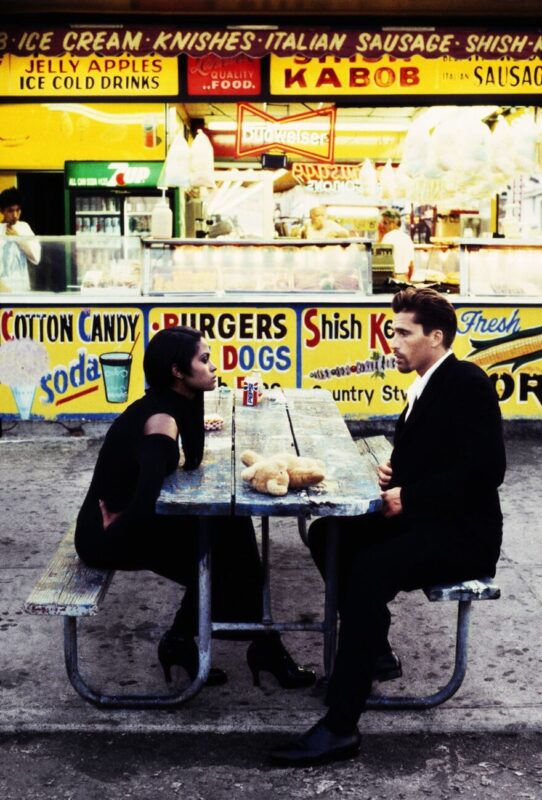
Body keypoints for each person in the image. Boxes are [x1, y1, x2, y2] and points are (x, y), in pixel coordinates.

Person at [271, 287, 506, 766]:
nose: (392, 342)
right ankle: (373, 650)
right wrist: (399, 475)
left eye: (403, 333)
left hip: (463, 538)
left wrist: (411, 494)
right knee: (328, 533)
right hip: (431, 519)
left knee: (368, 574)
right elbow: (444, 457)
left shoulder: (466, 382)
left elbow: (487, 471)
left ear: (435, 337)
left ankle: (341, 726)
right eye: (391, 331)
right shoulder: (427, 383)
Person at [75, 325, 315, 690]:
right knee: (225, 564)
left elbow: (194, 460)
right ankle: (251, 646)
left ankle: (191, 642)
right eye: (204, 361)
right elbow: (142, 504)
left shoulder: (176, 402)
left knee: (232, 530)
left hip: (132, 519)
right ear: (177, 371)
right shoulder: (160, 423)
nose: (213, 366)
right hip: (109, 533)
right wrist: (117, 525)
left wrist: (201, 392)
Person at [0, 187, 41, 292]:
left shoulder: (24, 227)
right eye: (10, 211)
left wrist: (18, 239)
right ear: (2, 211)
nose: (15, 215)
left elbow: (36, 258)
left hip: (21, 288)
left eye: (18, 210)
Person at [380, 207, 414, 280]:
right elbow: (411, 265)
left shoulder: (387, 237)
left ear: (393, 223)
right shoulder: (407, 238)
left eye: (385, 223)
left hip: (392, 278)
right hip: (405, 277)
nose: (383, 226)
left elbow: (383, 262)